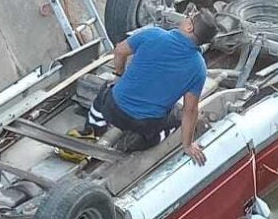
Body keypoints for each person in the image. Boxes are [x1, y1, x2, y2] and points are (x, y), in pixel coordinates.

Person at [86, 9, 218, 163]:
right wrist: (187, 145)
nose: (186, 16)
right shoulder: (199, 68)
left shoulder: (154, 34)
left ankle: (92, 129)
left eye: (188, 16)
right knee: (176, 118)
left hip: (114, 109)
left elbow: (119, 51)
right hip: (145, 124)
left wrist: (119, 74)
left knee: (104, 93)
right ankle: (138, 142)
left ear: (189, 27)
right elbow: (190, 110)